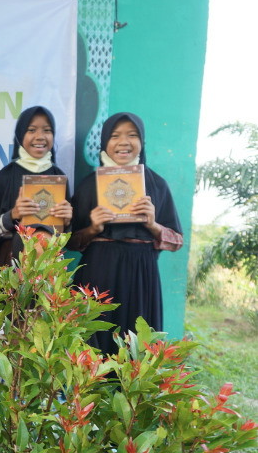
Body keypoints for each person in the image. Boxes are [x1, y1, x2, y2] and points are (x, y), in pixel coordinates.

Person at [67, 112, 183, 354]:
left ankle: (132, 392)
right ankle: (93, 391)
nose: (123, 142)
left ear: (142, 142)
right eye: (115, 135)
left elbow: (176, 240)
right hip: (99, 270)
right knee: (94, 341)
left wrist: (152, 224)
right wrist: (93, 228)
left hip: (141, 273)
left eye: (132, 135)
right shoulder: (89, 185)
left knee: (137, 342)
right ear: (104, 143)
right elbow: (71, 241)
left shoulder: (157, 184)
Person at [0, 106, 72, 264]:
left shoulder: (59, 177)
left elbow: (69, 239)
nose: (40, 137)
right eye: (31, 130)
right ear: (20, 134)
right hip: (11, 262)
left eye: (47, 130)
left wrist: (67, 221)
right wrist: (12, 215)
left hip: (49, 261)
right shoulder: (4, 177)